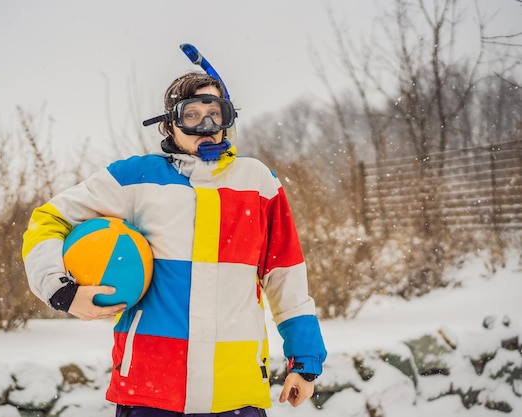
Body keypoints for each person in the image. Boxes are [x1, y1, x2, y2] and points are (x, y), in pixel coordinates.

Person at [22, 72, 327, 416]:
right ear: (170, 124)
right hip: (151, 391)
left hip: (236, 392)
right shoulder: (134, 178)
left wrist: (305, 360)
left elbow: (286, 274)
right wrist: (61, 291)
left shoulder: (258, 183)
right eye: (191, 115)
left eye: (216, 113)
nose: (206, 125)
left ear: (228, 120)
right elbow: (48, 219)